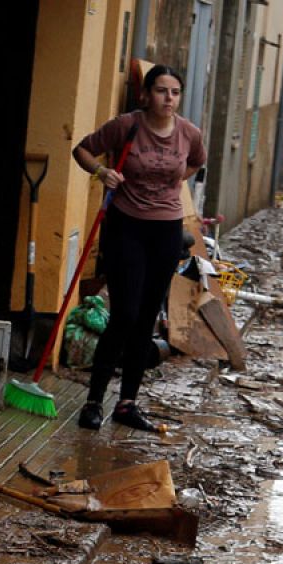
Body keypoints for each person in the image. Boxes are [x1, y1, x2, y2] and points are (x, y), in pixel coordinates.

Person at [70, 65, 206, 432]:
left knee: (146, 318)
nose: (168, 99)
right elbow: (81, 149)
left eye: (175, 92)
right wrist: (102, 172)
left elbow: (196, 161)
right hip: (125, 225)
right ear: (146, 95)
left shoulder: (189, 133)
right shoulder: (126, 125)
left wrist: (177, 180)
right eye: (161, 91)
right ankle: (94, 401)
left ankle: (127, 404)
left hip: (166, 230)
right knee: (125, 315)